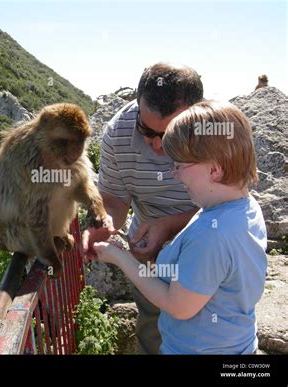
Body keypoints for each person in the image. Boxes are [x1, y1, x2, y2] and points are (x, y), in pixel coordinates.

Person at [92, 100, 267, 354]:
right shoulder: (244, 208)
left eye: (180, 166)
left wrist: (120, 258)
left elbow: (178, 305)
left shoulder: (212, 234)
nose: (175, 174)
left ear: (215, 170)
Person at [82, 62, 203, 354]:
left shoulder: (213, 134)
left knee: (204, 335)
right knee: (153, 333)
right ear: (137, 105)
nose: (157, 145)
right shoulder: (118, 133)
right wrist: (104, 224)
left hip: (204, 247)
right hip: (148, 251)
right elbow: (113, 199)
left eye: (172, 133)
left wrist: (170, 225)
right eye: (146, 130)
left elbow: (230, 208)